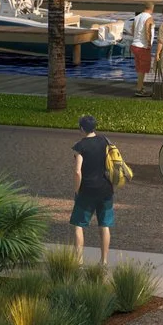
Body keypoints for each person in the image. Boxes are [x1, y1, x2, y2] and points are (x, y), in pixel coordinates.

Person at [69, 114, 116, 267]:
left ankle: (79, 261)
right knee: (104, 225)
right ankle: (103, 261)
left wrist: (77, 190)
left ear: (82, 129)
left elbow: (77, 171)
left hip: (87, 191)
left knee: (79, 225)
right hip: (105, 189)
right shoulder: (104, 141)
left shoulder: (80, 146)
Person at [131, 6, 157, 97]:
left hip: (134, 45)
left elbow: (132, 30)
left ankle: (141, 86)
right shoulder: (149, 17)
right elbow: (147, 29)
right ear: (152, 8)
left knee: (139, 68)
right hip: (142, 46)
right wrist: (149, 43)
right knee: (143, 68)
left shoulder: (137, 17)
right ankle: (139, 89)